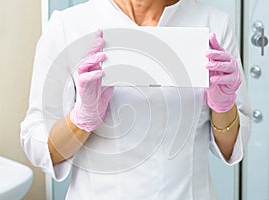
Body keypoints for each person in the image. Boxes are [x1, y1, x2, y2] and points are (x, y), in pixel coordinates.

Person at [20, 0, 252, 199]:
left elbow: (232, 146)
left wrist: (223, 106)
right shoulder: (68, 27)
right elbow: (39, 148)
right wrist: (82, 119)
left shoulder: (214, 25)